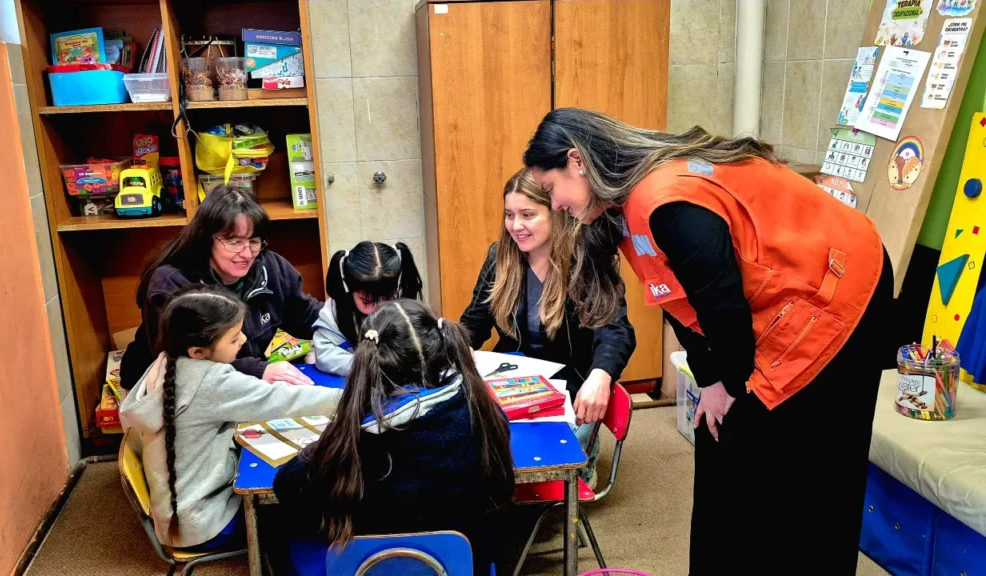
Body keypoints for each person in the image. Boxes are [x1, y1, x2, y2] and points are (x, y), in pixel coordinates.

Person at [523, 108, 893, 574]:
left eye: (551, 188)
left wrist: (731, 386)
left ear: (577, 161)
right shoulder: (622, 209)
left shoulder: (667, 200)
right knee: (716, 432)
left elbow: (723, 309)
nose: (554, 205)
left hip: (845, 286)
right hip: (773, 301)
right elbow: (681, 304)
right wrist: (713, 381)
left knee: (814, 463)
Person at [274, 299, 514, 575]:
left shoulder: (353, 442)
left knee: (283, 527)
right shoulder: (485, 415)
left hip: (361, 566)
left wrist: (318, 447)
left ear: (370, 361)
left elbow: (287, 487)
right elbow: (500, 491)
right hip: (462, 565)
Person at [120, 285, 341, 549]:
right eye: (234, 338)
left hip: (178, 516)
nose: (244, 341)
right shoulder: (210, 381)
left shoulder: (166, 362)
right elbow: (284, 400)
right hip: (207, 523)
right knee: (317, 511)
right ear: (197, 351)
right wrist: (353, 397)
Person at [460, 168, 635, 486]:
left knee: (552, 476)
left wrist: (601, 376)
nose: (516, 226)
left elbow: (617, 330)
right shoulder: (499, 257)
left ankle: (581, 454)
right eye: (510, 215)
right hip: (513, 380)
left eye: (528, 214)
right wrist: (461, 346)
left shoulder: (589, 260)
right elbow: (475, 321)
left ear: (556, 211)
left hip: (570, 387)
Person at [121, 186, 322, 389]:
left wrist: (347, 321)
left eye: (254, 241)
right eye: (234, 242)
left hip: (238, 384)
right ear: (207, 238)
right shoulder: (172, 283)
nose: (246, 254)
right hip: (166, 392)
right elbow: (185, 364)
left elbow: (307, 316)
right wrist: (257, 370)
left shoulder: (271, 266)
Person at [312, 241, 424, 375]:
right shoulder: (333, 312)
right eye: (366, 301)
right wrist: (369, 366)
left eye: (385, 299)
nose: (375, 309)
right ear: (350, 286)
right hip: (353, 379)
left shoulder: (402, 304)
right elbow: (325, 355)